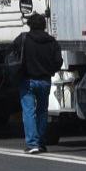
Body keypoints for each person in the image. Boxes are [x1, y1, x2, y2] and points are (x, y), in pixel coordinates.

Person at [10, 13, 60, 154]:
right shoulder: (52, 41)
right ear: (44, 25)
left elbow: (12, 51)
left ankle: (32, 144)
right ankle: (41, 143)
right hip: (45, 81)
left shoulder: (23, 38)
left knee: (29, 112)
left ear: (30, 25)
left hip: (27, 81)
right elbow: (58, 62)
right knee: (42, 112)